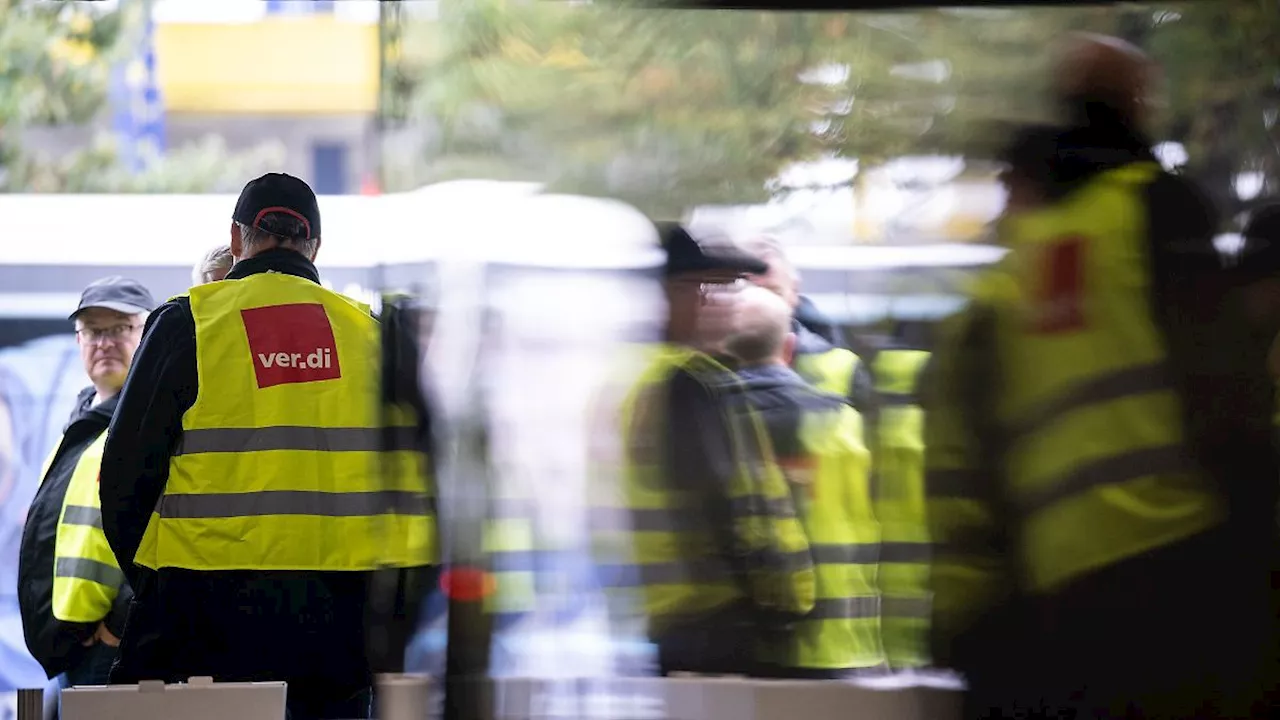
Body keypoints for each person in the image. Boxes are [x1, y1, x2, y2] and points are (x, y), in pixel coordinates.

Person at [928, 32, 1276, 718]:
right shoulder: (1152, 206)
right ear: (1138, 103)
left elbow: (983, 457)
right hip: (1181, 557)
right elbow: (1219, 379)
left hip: (1063, 590)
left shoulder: (1018, 267)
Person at [98, 173, 437, 720]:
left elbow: (123, 481)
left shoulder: (190, 324)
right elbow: (420, 495)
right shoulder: (373, 337)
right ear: (316, 246)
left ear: (237, 240)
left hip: (202, 623)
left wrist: (163, 588)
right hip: (335, 635)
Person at [601, 222, 814, 676]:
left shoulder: (618, 374)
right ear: (655, 295)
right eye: (693, 287)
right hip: (706, 618)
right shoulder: (688, 379)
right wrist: (775, 607)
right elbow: (732, 509)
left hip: (641, 616)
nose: (709, 302)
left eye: (717, 288)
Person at [720, 285, 884, 678]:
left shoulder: (714, 426)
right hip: (843, 645)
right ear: (790, 348)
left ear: (724, 352)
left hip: (748, 646)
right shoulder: (844, 423)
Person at [18, 278, 155, 692]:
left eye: (120, 328)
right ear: (79, 340)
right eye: (95, 330)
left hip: (109, 647)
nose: (105, 342)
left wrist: (122, 622)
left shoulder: (151, 419)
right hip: (76, 645)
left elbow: (166, 527)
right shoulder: (83, 422)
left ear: (148, 334)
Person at [739, 236, 875, 415]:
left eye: (773, 293)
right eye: (749, 292)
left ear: (794, 292)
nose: (761, 304)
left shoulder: (842, 366)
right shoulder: (706, 363)